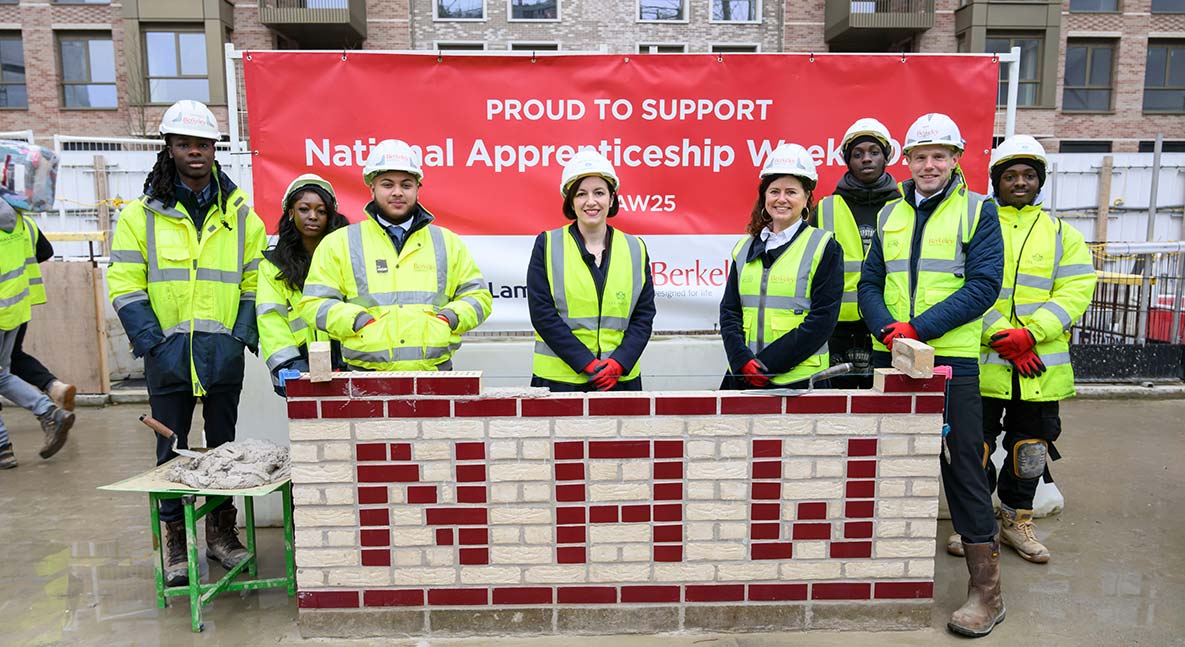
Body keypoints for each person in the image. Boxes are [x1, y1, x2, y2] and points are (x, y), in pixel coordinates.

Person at [108, 100, 267, 587]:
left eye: (203, 144)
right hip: (167, 356)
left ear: (214, 149)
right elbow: (124, 281)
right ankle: (176, 543)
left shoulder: (241, 216)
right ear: (170, 148)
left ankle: (221, 533)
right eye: (185, 143)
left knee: (224, 452)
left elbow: (255, 280)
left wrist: (240, 334)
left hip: (221, 354)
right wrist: (152, 343)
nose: (194, 152)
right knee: (170, 454)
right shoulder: (141, 215)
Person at [858, 113, 1005, 637]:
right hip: (896, 358)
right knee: (889, 465)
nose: (928, 165)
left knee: (962, 469)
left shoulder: (977, 211)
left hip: (952, 361)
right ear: (909, 162)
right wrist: (886, 329)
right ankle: (884, 573)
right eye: (920, 156)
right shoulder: (893, 214)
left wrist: (916, 328)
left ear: (956, 159)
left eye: (939, 155)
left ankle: (986, 591)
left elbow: (984, 286)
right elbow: (870, 282)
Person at [944, 135, 1096, 564]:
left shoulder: (1062, 233)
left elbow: (1076, 288)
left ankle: (1017, 519)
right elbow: (960, 284)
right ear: (996, 180)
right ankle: (974, 522)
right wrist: (1001, 335)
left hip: (1039, 367)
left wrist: (1031, 334)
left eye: (1028, 175)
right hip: (983, 360)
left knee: (1031, 447)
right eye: (1009, 175)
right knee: (975, 446)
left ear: (1040, 181)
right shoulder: (977, 223)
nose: (1019, 182)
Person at [299, 139, 492, 371]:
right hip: (364, 378)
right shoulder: (340, 243)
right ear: (372, 187)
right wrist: (358, 321)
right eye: (388, 184)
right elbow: (313, 303)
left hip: (436, 375)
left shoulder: (447, 242)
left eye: (406, 185)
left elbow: (479, 297)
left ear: (418, 188)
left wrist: (448, 319)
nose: (397, 192)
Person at [527, 151, 655, 391]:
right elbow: (542, 314)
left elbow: (643, 315)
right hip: (560, 382)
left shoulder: (635, 248)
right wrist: (586, 363)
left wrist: (620, 362)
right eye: (581, 194)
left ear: (611, 198)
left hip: (620, 380)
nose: (591, 202)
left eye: (599, 192)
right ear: (571, 201)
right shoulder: (547, 244)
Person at [719, 143, 843, 390]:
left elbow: (822, 321)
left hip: (800, 382)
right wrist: (741, 360)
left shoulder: (824, 247)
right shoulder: (744, 249)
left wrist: (768, 364)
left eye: (791, 192)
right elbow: (730, 312)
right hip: (745, 375)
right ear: (764, 196)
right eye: (774, 191)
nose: (781, 199)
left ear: (807, 197)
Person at [814, 118, 902, 388]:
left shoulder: (905, 206)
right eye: (858, 154)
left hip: (890, 325)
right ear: (847, 160)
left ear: (886, 157)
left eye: (874, 152)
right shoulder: (825, 208)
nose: (866, 159)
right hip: (836, 328)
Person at [257, 174, 349, 395]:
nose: (313, 216)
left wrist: (350, 363)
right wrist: (292, 367)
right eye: (304, 209)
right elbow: (271, 320)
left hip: (347, 365)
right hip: (297, 366)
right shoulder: (272, 266)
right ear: (291, 213)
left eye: (321, 211)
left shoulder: (346, 257)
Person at [0, 195, 74, 470]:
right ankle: (49, 411)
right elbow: (43, 251)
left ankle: (3, 448)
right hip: (15, 308)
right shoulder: (20, 219)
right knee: (3, 374)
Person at [11, 217, 77, 411]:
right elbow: (46, 251)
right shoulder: (24, 220)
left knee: (8, 361)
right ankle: (54, 387)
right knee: (12, 356)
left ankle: (46, 410)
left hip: (4, 303)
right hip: (21, 300)